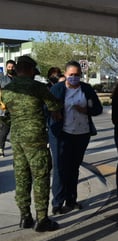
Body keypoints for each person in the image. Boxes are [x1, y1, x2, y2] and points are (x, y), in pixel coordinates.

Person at [1, 55, 62, 232]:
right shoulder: (38, 87)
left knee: (21, 177)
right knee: (41, 176)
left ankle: (25, 217)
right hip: (35, 139)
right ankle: (42, 218)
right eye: (33, 72)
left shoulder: (7, 89)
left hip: (17, 139)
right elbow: (55, 109)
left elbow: (5, 114)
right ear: (28, 70)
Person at [48, 60, 103, 214]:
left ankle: (71, 200)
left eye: (77, 75)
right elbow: (46, 108)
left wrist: (86, 109)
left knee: (73, 168)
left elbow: (97, 108)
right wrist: (54, 112)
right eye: (71, 75)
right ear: (65, 75)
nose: (74, 77)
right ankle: (57, 203)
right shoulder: (57, 89)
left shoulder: (86, 89)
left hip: (81, 134)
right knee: (60, 168)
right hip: (61, 134)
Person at [0, 60, 16, 157]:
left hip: (17, 108)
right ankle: (1, 148)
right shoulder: (2, 79)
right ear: (6, 67)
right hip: (4, 108)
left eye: (12, 67)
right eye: (9, 67)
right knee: (5, 129)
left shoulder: (18, 79)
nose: (11, 68)